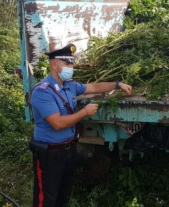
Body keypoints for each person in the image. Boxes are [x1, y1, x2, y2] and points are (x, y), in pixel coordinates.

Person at [29, 43, 132, 207]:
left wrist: (117, 84)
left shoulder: (69, 85)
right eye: (67, 64)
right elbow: (57, 123)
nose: (71, 67)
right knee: (46, 199)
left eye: (72, 63)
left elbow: (93, 87)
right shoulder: (43, 91)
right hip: (50, 154)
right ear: (54, 65)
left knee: (63, 196)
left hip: (68, 150)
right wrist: (84, 112)